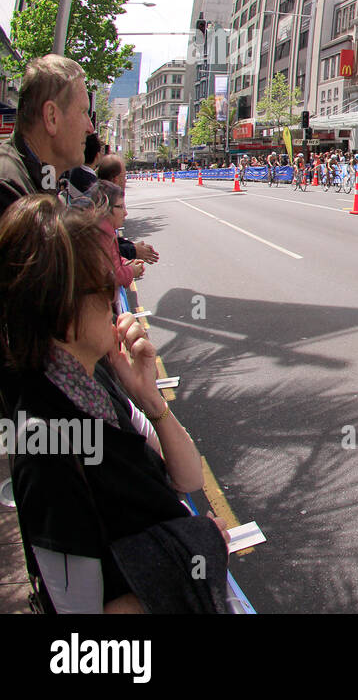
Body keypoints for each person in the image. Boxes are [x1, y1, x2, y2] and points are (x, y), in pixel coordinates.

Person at [0, 195, 229, 613]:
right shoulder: (45, 445)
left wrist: (150, 400)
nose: (116, 296)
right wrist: (198, 550)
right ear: (60, 309)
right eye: (106, 285)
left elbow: (187, 476)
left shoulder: (96, 377)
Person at [0, 54, 96, 220]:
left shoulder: (41, 176)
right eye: (83, 112)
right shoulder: (8, 194)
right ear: (52, 117)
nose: (90, 128)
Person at [95, 156, 159, 265]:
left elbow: (112, 242)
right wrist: (133, 252)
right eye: (124, 176)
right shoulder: (100, 206)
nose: (125, 213)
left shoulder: (99, 196)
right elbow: (105, 249)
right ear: (116, 179)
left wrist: (132, 248)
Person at [86, 181, 144, 301]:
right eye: (120, 207)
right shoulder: (103, 233)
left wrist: (125, 262)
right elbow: (112, 276)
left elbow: (112, 258)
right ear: (104, 208)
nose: (125, 213)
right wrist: (131, 271)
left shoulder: (102, 229)